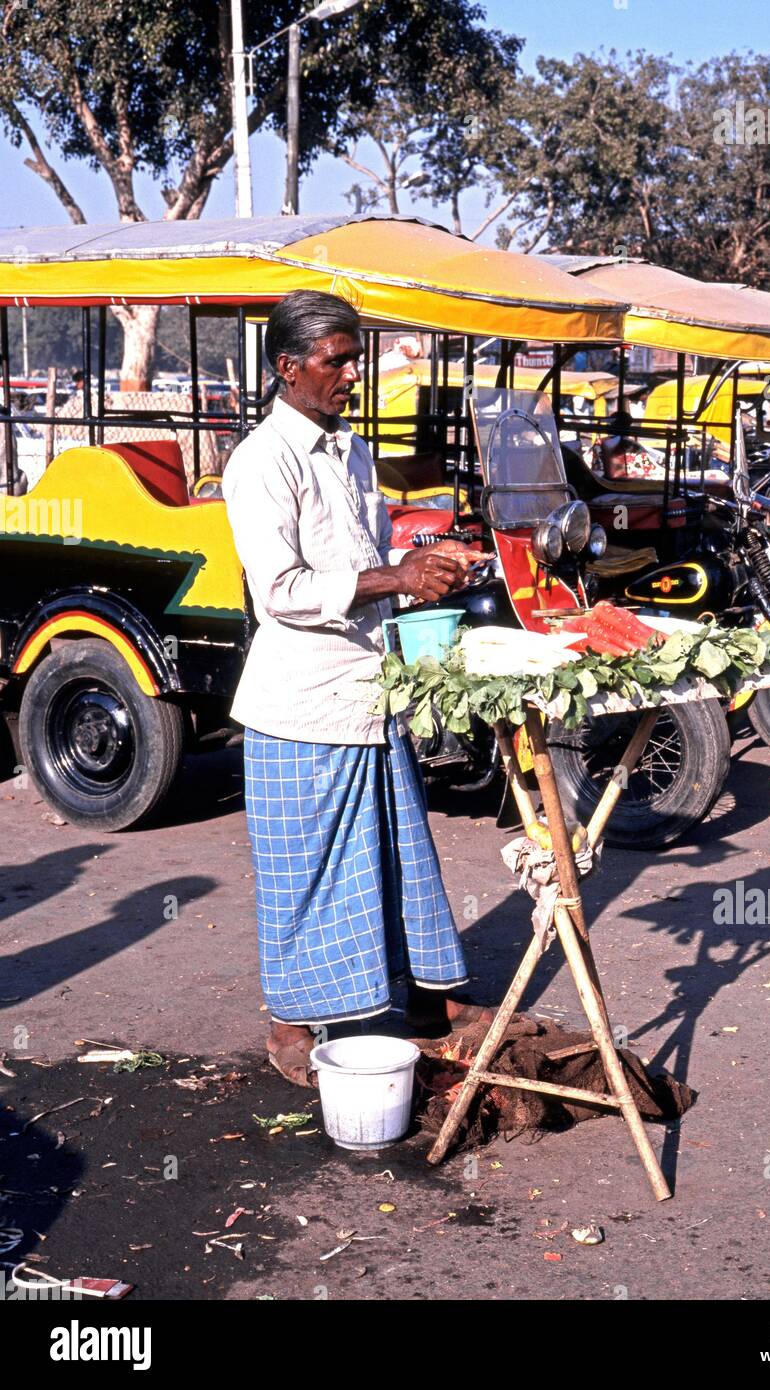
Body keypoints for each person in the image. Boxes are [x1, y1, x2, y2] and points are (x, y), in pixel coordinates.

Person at [222, 290, 484, 1087]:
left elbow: (365, 558)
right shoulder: (260, 462)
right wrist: (393, 576)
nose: (349, 375)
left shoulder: (351, 451)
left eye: (352, 360)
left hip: (368, 693)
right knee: (300, 872)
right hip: (299, 706)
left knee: (399, 856)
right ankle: (290, 1025)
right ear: (286, 367)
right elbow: (283, 590)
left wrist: (422, 571)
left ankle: (428, 1001)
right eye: (335, 361)